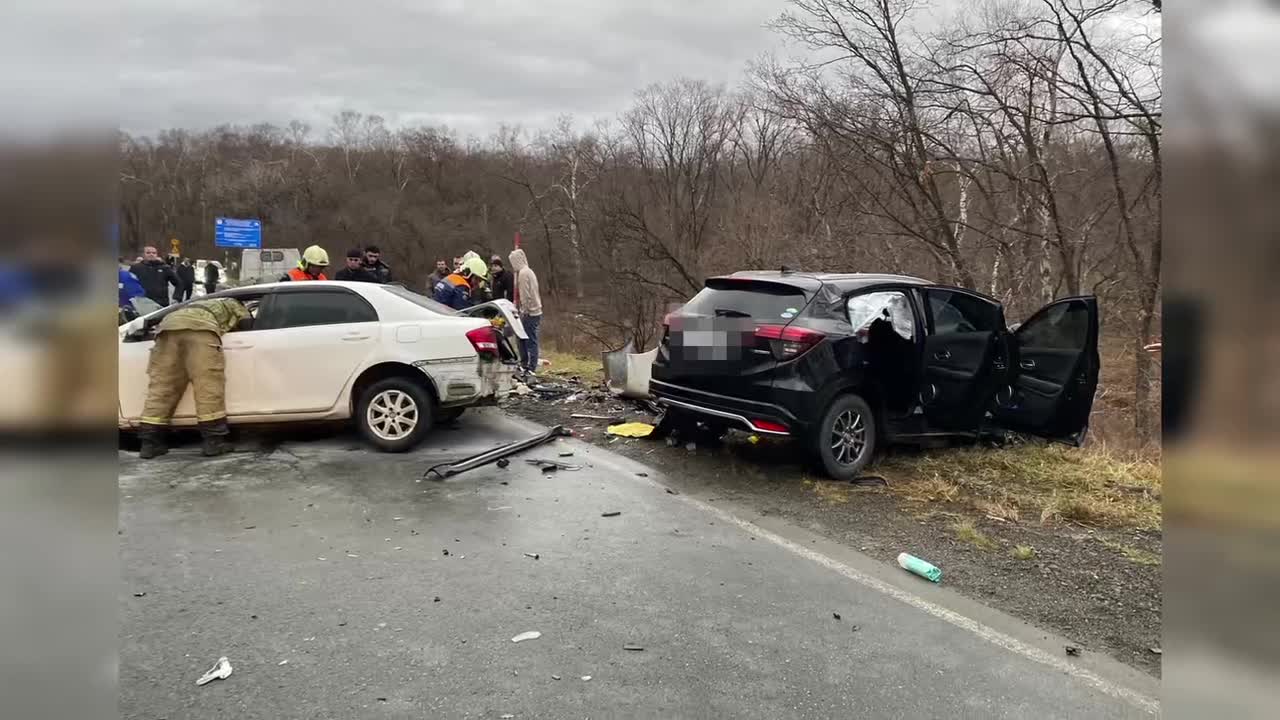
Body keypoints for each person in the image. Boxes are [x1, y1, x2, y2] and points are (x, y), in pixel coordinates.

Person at [137, 297, 250, 458]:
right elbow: (247, 325)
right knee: (208, 387)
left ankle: (149, 445)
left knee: (161, 389)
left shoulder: (195, 303)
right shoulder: (235, 304)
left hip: (167, 330)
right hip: (200, 331)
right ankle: (214, 443)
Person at [508, 248, 543, 373]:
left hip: (530, 311)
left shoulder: (523, 274)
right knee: (527, 338)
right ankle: (527, 363)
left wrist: (524, 309)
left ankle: (530, 365)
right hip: (536, 309)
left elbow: (525, 294)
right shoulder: (529, 271)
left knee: (527, 338)